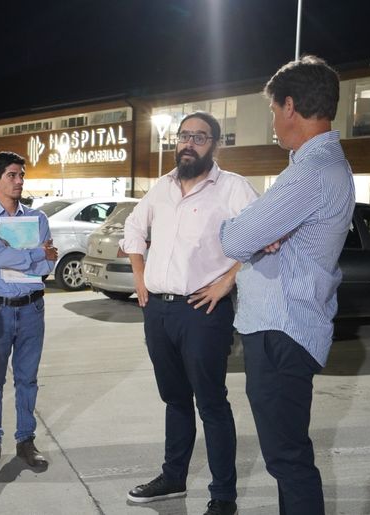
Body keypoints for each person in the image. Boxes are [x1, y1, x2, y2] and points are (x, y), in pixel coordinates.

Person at [220, 55, 355, 515]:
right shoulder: (318, 168)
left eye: (274, 111)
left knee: (287, 458)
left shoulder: (310, 173)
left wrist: (249, 231)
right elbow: (254, 237)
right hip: (286, 328)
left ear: (291, 106)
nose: (274, 123)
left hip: (284, 330)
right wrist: (260, 233)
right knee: (287, 457)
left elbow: (236, 238)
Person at [121, 111, 257, 515]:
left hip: (203, 312)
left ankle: (223, 497)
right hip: (158, 312)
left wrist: (227, 280)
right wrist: (140, 276)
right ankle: (173, 478)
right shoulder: (160, 189)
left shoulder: (232, 188)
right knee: (175, 399)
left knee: (211, 403)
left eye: (199, 137)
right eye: (184, 136)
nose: (189, 144)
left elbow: (263, 238)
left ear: (215, 144)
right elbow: (133, 227)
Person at [0, 151, 57, 470]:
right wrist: (33, 253)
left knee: (27, 379)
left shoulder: (38, 218)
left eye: (22, 175)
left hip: (33, 307)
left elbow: (50, 262)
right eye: (12, 175)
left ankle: (26, 441)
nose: (19, 181)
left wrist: (24, 256)